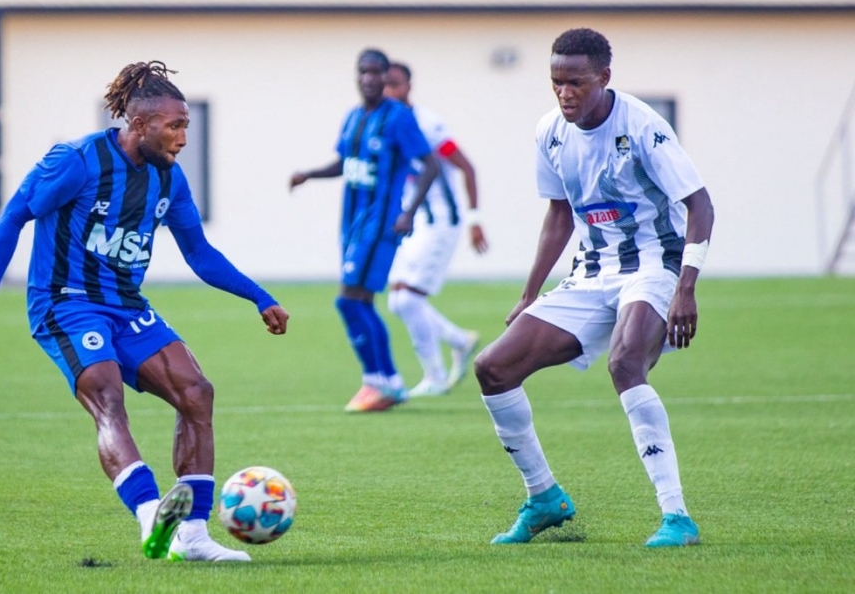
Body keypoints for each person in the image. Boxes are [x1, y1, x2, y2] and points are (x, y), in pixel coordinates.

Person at [0, 61, 289, 563]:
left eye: (186, 126)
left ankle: (193, 536)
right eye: (174, 126)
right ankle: (150, 514)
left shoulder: (168, 179)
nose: (182, 138)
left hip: (126, 305)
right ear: (139, 124)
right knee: (107, 395)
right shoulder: (76, 161)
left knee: (196, 393)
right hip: (65, 301)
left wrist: (259, 297)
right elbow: (12, 219)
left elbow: (199, 253)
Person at [474, 28, 714, 548]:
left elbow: (700, 205)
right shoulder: (550, 132)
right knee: (493, 367)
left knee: (625, 364)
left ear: (604, 77)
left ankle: (676, 516)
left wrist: (686, 287)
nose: (565, 93)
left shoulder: (643, 126)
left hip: (654, 264)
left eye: (576, 83)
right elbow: (559, 215)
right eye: (556, 83)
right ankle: (544, 497)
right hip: (590, 272)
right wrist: (530, 294)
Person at [290, 48, 439, 413]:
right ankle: (387, 383)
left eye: (376, 73)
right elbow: (346, 163)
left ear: (386, 78)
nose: (369, 79)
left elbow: (431, 164)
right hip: (353, 222)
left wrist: (408, 213)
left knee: (348, 300)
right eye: (363, 72)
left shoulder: (399, 117)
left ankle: (379, 379)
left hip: (381, 221)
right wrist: (310, 174)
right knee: (362, 302)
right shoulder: (353, 117)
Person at [383, 62, 488, 397]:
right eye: (385, 85)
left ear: (409, 86)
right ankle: (459, 341)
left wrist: (474, 220)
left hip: (442, 220)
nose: (389, 91)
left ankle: (436, 377)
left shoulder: (427, 124)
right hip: (414, 223)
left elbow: (467, 168)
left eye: (395, 84)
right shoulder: (385, 124)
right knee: (397, 301)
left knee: (408, 299)